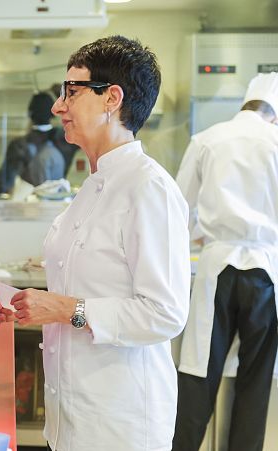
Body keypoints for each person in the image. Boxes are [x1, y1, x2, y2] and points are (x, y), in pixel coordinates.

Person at [0, 36, 190, 451]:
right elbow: (88, 290)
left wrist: (62, 308)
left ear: (111, 98)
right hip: (73, 419)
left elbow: (165, 313)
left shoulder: (148, 188)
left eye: (71, 92)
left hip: (122, 423)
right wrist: (27, 306)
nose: (57, 106)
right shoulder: (91, 187)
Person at [173, 73, 278, 451]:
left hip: (217, 268)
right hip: (265, 272)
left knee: (199, 375)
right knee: (255, 381)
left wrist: (200, 233)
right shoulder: (275, 141)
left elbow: (177, 210)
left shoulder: (208, 138)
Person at [0, 92, 78, 196]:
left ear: (30, 114)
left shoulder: (19, 145)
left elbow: (0, 185)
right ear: (53, 114)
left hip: (29, 206)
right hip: (59, 202)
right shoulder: (65, 139)